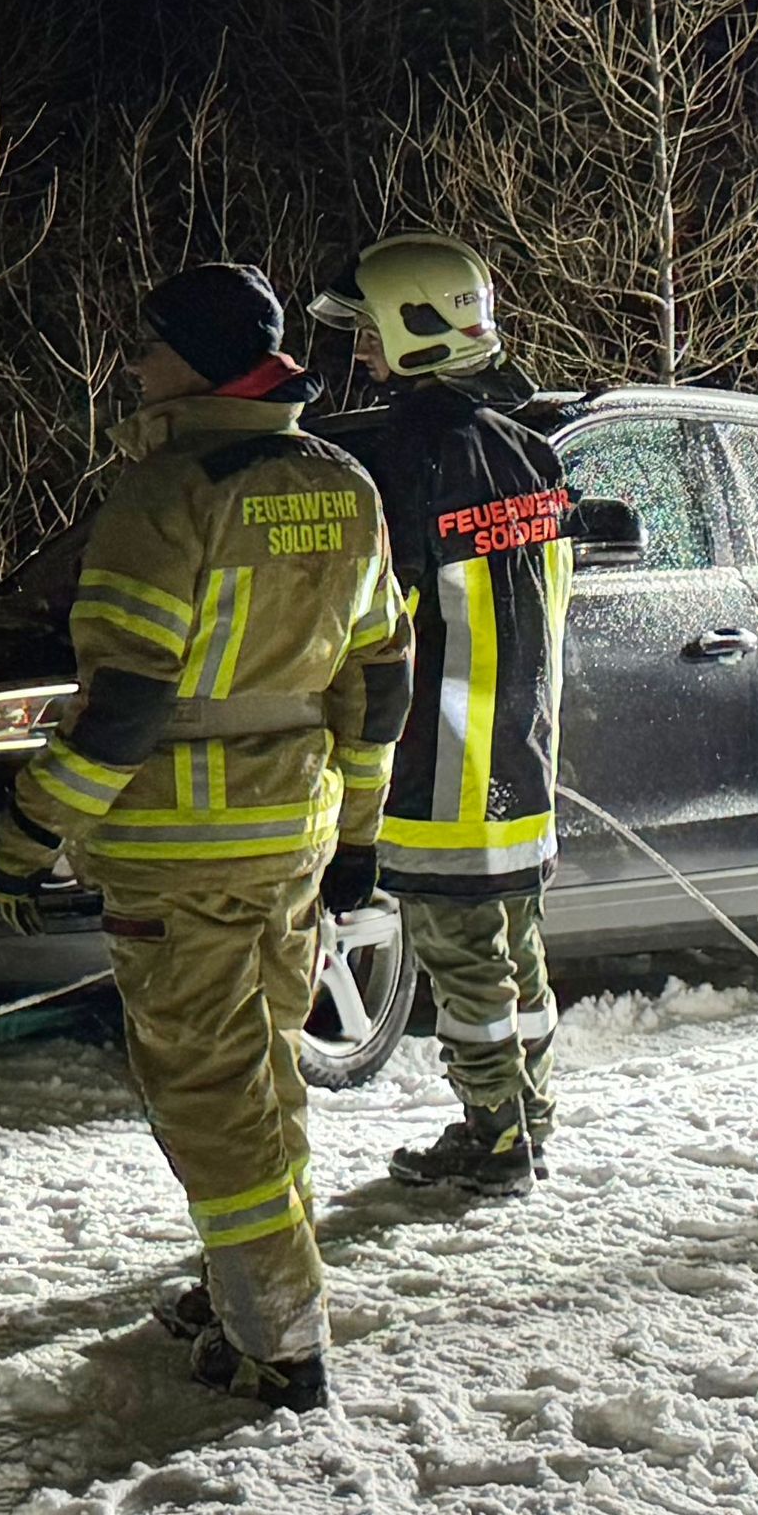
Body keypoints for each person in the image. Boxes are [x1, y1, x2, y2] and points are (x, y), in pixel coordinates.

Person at [0, 264, 411, 1408]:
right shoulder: (344, 484)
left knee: (211, 1096)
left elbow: (122, 705)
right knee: (260, 1072)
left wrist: (29, 829)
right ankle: (250, 1283)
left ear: (196, 360)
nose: (131, 364)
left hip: (181, 856)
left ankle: (278, 1333)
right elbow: (383, 677)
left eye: (148, 343)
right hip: (293, 842)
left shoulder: (163, 495)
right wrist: (359, 833)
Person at [310, 231, 570, 1196]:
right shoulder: (529, 450)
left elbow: (381, 626)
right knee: (519, 952)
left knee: (464, 967)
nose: (363, 353)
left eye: (370, 334)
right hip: (522, 759)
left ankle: (494, 1141)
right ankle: (531, 1118)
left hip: (434, 763)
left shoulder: (404, 460)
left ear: (418, 328)